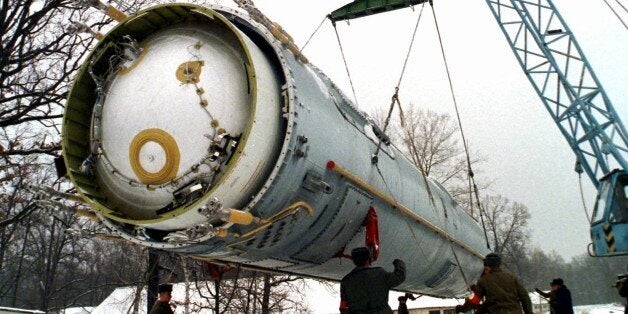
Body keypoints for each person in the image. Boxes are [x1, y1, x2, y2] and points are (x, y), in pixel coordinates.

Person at [339, 247, 406, 313]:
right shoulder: (379, 273)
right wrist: (398, 262)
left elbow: (343, 308)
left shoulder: (346, 281)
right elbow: (400, 276)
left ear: (353, 261)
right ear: (368, 259)